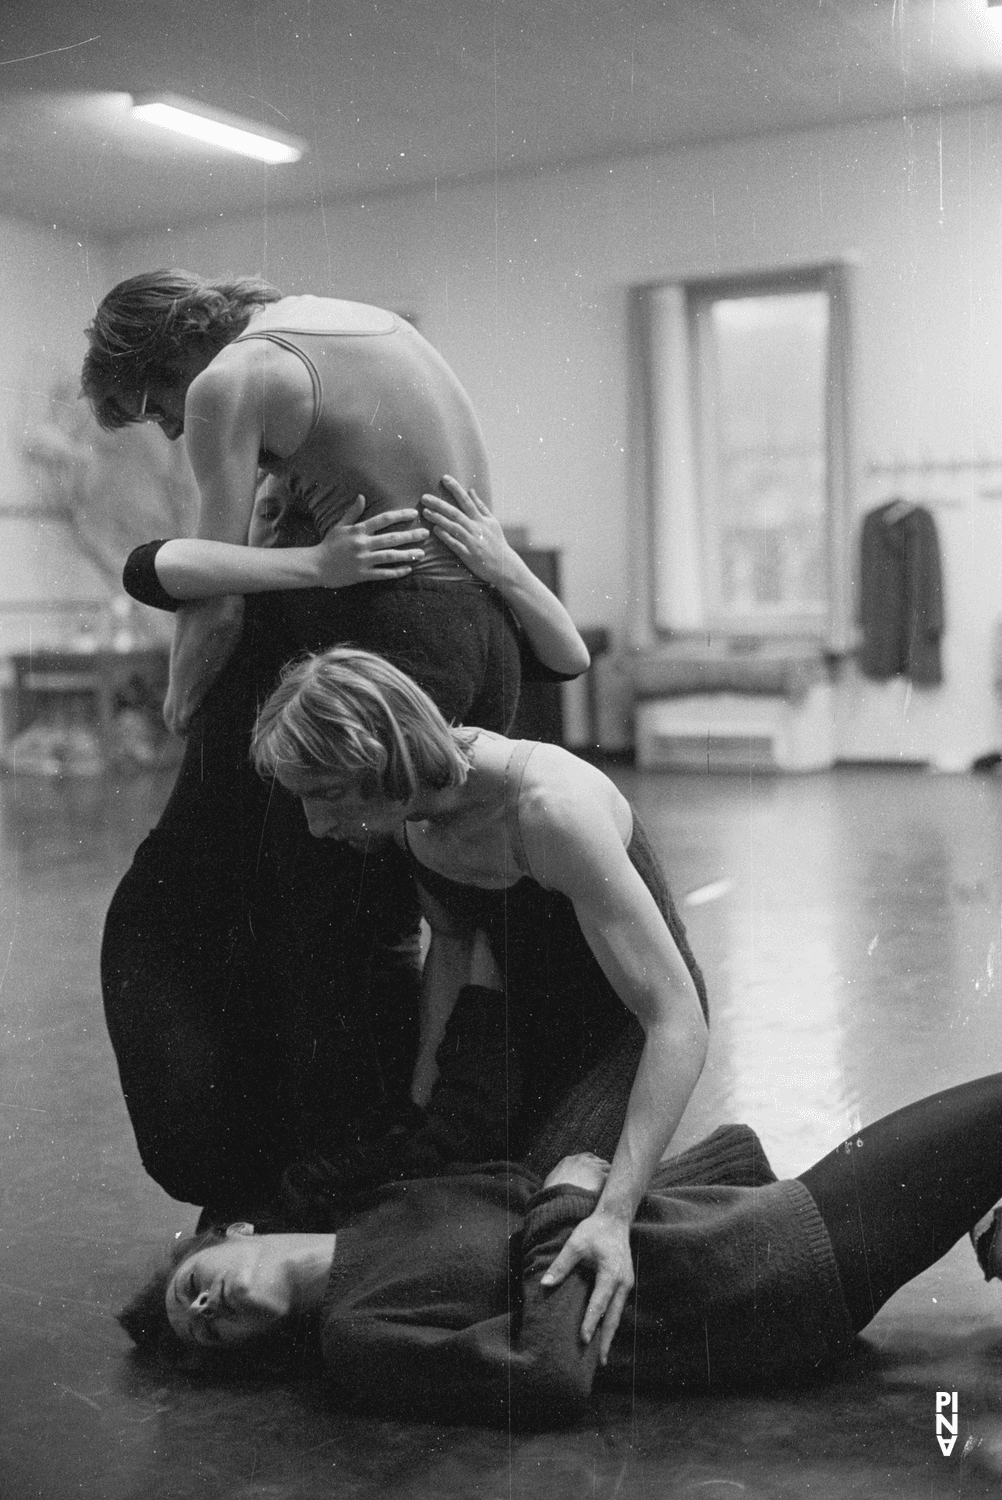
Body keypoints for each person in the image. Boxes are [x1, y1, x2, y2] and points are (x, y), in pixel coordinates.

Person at [83, 270, 585, 1219]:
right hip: (483, 629)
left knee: (322, 930)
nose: (172, 431)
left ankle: (331, 1187)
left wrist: (183, 701)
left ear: (167, 364)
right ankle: (384, 1156)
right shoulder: (367, 323)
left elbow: (212, 598)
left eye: (155, 413)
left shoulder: (229, 381)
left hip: (392, 629)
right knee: (386, 916)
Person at [249, 646, 710, 1353]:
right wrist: (425, 1109)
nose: (315, 825)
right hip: (533, 1023)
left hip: (622, 1032)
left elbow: (675, 1020)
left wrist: (615, 1214)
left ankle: (705, 1187)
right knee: (430, 1192)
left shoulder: (549, 810)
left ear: (385, 763)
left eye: (328, 795)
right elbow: (454, 944)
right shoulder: (416, 819)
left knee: (528, 1223)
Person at [120, 1070, 1002, 1431]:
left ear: (234, 1232)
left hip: (749, 1238)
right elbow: (545, 1374)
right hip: (763, 1285)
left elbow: (541, 1205)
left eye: (194, 1287)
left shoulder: (385, 1211)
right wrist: (572, 1198)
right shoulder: (359, 1337)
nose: (206, 1310)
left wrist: (715, 1167)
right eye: (205, 1331)